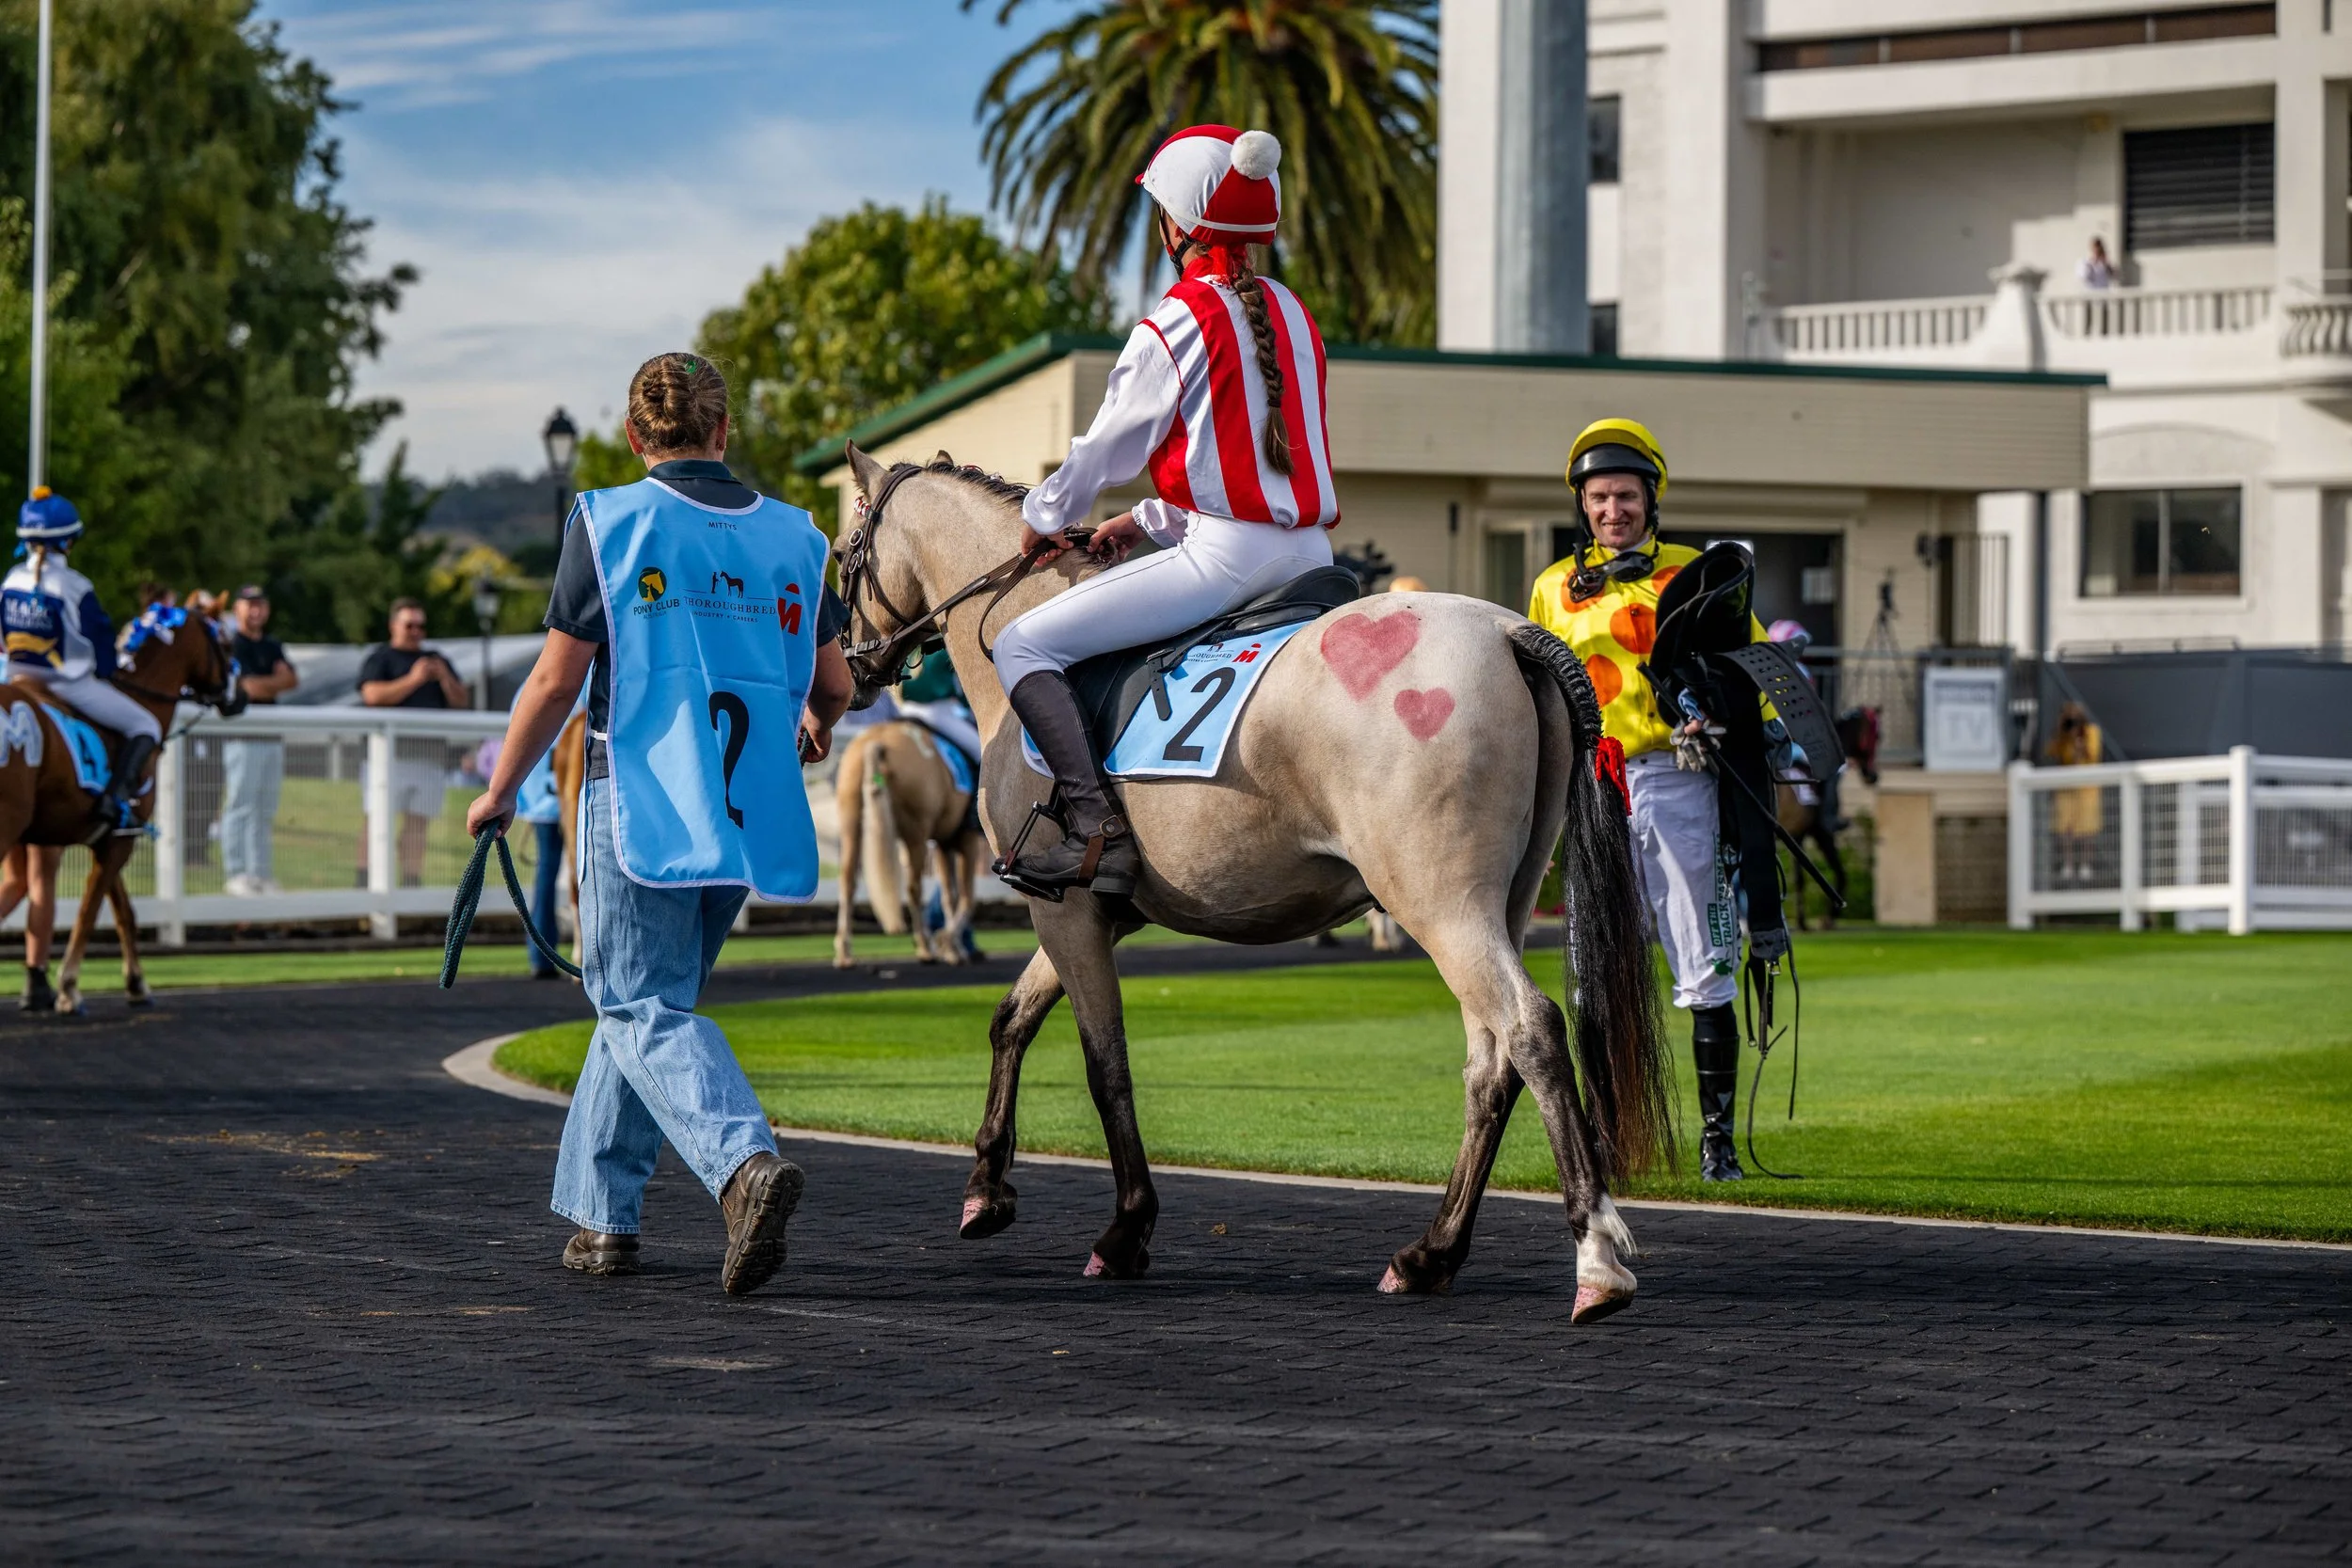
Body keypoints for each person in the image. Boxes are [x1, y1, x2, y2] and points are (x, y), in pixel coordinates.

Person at [467, 351, 853, 1296]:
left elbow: (557, 677)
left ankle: (741, 1163)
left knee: (636, 1005)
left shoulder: (611, 518)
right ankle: (603, 1220)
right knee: (647, 1004)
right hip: (746, 808)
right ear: (724, 429)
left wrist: (502, 787)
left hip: (638, 793)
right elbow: (835, 683)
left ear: (638, 437)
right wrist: (813, 724)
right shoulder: (799, 537)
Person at [993, 124, 1339, 897]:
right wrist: (1146, 521)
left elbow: (1105, 450)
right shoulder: (1295, 313)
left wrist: (1048, 513)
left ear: (1175, 225)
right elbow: (1253, 471)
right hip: (1312, 555)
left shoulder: (1174, 321)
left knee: (1020, 646)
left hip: (1224, 562)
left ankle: (1097, 833)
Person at [1528, 420, 1773, 1183]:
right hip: (1594, 786)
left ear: (1650, 499)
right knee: (1599, 962)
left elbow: (1751, 667)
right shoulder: (1549, 588)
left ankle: (1716, 1141)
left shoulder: (1695, 573)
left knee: (1699, 952)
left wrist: (1734, 720)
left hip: (1676, 777)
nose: (1612, 511)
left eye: (1625, 496)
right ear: (1583, 504)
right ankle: (1604, 1135)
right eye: (1598, 498)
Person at [1, 488, 161, 837]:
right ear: (69, 541)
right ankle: (115, 804)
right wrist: (107, 670)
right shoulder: (75, 586)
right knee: (146, 725)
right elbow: (102, 644)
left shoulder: (11, 579)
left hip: (16, 678)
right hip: (68, 685)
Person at [358, 598, 468, 886]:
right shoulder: (381, 657)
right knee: (377, 821)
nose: (416, 631)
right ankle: (365, 881)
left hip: (429, 757)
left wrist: (444, 677)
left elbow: (461, 702)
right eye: (409, 625)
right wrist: (413, 679)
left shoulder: (437, 659)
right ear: (393, 626)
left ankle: (410, 884)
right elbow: (372, 696)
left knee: (418, 825)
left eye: (421, 625)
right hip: (387, 758)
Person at [219, 584, 298, 895]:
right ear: (237, 608)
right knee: (240, 804)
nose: (256, 610)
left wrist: (268, 683)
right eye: (249, 604)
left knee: (264, 809)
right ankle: (236, 872)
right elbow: (246, 687)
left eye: (260, 604)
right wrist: (273, 682)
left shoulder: (272, 645)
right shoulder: (231, 644)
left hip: (270, 736)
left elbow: (291, 680)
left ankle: (260, 873)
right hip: (241, 736)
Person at [2046, 702, 2105, 884]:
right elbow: (2052, 752)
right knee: (2066, 828)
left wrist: (2081, 739)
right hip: (2067, 788)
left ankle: (2086, 864)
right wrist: (2062, 731)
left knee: (2088, 828)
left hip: (2087, 788)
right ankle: (2068, 864)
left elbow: (2092, 755)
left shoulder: (2091, 732)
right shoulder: (2063, 735)